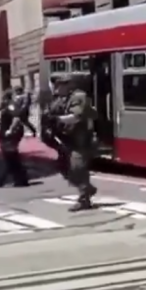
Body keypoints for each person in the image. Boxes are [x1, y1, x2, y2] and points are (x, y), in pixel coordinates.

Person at [54, 75, 98, 211]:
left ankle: (84, 198)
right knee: (63, 167)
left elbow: (76, 117)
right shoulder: (63, 99)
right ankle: (87, 188)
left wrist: (57, 119)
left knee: (77, 167)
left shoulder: (79, 97)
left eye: (61, 85)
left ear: (69, 85)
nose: (58, 88)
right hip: (69, 138)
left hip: (82, 139)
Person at [0, 88, 29, 187]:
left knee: (11, 157)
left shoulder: (11, 106)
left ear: (7, 98)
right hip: (5, 135)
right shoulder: (7, 107)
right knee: (10, 157)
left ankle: (20, 179)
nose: (2, 100)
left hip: (10, 136)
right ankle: (17, 178)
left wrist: (10, 130)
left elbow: (16, 118)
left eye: (3, 98)